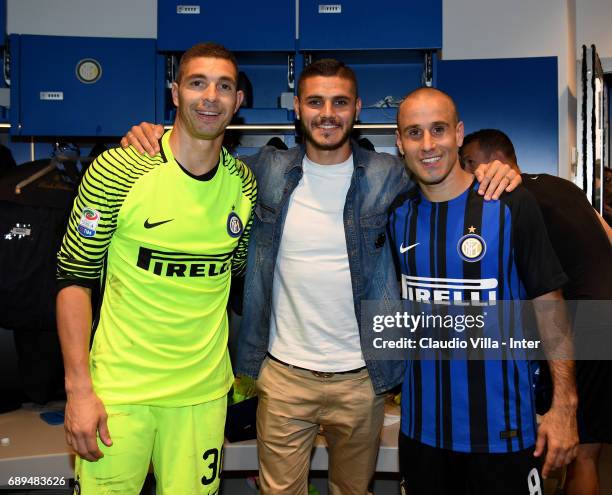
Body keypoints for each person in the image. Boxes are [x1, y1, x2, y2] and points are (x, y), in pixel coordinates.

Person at [121, 59, 520, 495]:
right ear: (297, 107)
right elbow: (200, 155)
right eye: (315, 101)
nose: (327, 113)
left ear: (357, 109)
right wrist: (154, 135)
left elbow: (444, 177)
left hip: (363, 381)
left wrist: (491, 171)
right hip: (283, 378)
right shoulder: (265, 170)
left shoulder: (389, 174)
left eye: (339, 102)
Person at [56, 42, 256, 495]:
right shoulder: (119, 168)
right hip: (119, 392)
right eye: (197, 83)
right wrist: (79, 391)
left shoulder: (243, 184)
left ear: (238, 102)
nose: (211, 97)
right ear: (175, 93)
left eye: (224, 86)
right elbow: (74, 277)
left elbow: (238, 270)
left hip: (202, 396)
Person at [390, 88, 578, 494]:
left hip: (505, 434)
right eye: (414, 132)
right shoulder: (396, 215)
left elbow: (550, 306)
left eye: (438, 130)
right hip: (423, 434)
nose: (427, 145)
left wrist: (565, 406)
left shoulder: (510, 204)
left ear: (458, 134)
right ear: (399, 142)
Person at [461, 128, 612, 495]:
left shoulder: (511, 200)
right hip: (607, 318)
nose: (464, 173)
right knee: (586, 454)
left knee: (556, 447)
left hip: (582, 325)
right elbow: (608, 234)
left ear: (487, 161)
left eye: (466, 164)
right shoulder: (563, 185)